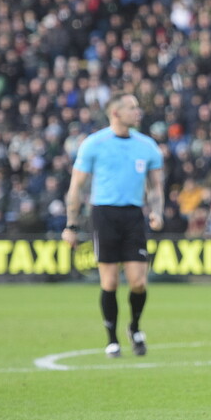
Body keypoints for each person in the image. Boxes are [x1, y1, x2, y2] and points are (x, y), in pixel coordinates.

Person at [62, 94, 164, 358]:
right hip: (104, 214)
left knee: (138, 282)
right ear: (115, 113)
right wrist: (71, 224)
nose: (138, 111)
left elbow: (155, 186)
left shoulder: (147, 146)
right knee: (109, 281)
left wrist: (156, 212)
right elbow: (76, 187)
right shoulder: (94, 144)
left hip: (133, 215)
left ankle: (135, 327)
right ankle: (112, 339)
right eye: (132, 107)